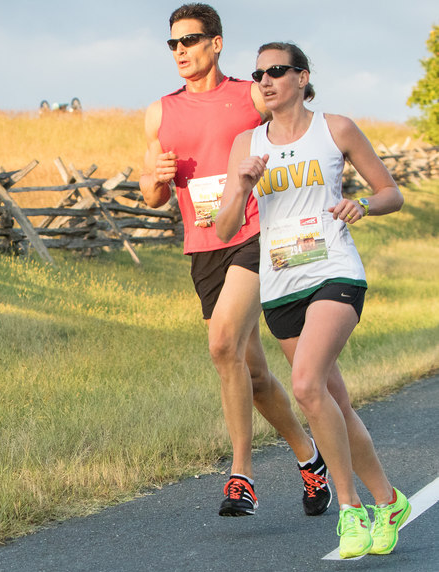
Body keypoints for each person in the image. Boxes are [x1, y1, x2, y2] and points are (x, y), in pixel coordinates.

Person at [215, 42, 409, 558]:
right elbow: (225, 227)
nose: (265, 81)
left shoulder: (336, 128)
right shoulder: (246, 144)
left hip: (335, 273)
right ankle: (388, 501)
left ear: (302, 77)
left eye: (277, 71)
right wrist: (242, 185)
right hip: (281, 286)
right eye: (258, 74)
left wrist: (361, 204)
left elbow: (391, 192)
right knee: (334, 403)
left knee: (305, 384)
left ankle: (350, 511)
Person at [139, 3, 331, 517]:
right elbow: (152, 196)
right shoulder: (160, 111)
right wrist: (155, 180)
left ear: (216, 43)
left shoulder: (249, 96)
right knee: (255, 375)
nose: (181, 51)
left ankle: (241, 475)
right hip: (204, 247)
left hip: (255, 235)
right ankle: (311, 460)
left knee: (222, 342)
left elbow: (299, 132)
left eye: (191, 40)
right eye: (173, 43)